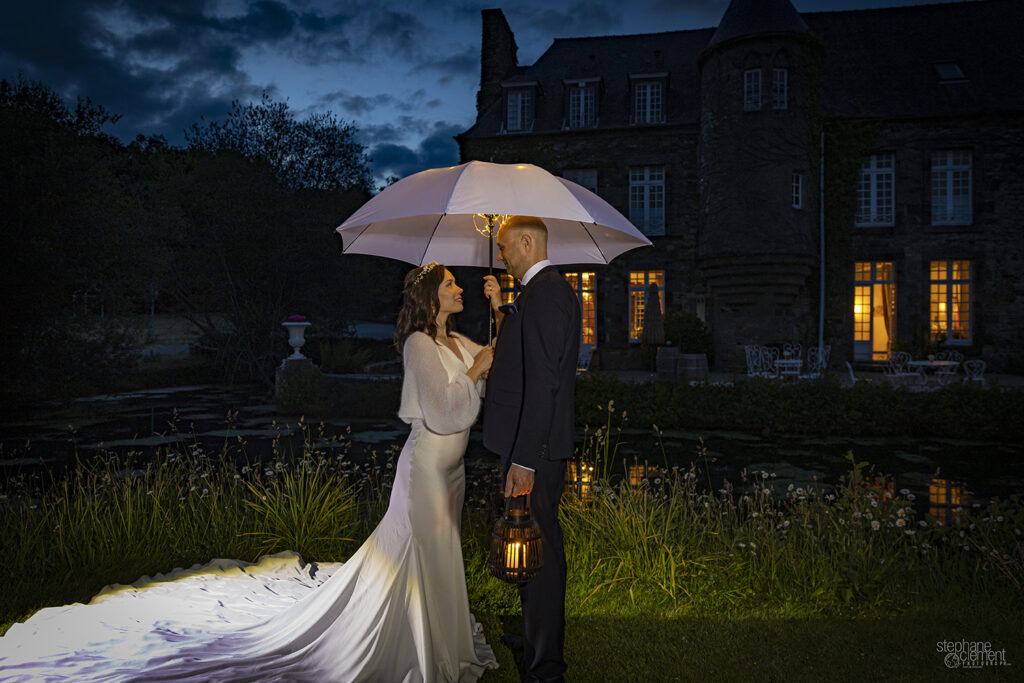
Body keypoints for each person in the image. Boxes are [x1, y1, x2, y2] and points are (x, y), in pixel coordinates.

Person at [0, 262, 499, 682]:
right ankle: (420, 649)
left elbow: (495, 357)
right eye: (452, 284)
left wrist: (499, 308)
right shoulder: (418, 344)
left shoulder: (456, 341)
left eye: (459, 284)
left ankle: (443, 640)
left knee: (441, 555)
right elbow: (440, 408)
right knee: (423, 555)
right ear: (430, 295)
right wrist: (476, 373)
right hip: (428, 469)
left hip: (452, 472)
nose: (460, 289)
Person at [482, 216, 581, 683]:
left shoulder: (548, 294)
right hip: (530, 444)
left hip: (534, 451)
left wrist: (522, 461)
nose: (500, 255)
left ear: (526, 242)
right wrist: (502, 308)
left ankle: (546, 667)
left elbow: (544, 383)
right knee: (530, 544)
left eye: (503, 247)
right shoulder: (536, 295)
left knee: (540, 549)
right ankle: (535, 634)